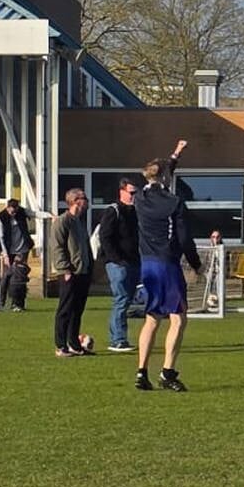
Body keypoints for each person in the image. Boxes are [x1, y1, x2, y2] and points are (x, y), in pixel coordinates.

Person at [133, 140, 200, 392]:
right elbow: (183, 238)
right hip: (168, 265)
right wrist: (195, 263)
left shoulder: (140, 197)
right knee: (178, 319)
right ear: (165, 178)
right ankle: (167, 372)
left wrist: (175, 154)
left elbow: (162, 170)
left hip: (147, 265)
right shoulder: (174, 202)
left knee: (151, 318)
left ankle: (141, 372)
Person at [96, 178, 140, 352]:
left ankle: (120, 337)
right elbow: (105, 237)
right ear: (121, 192)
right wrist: (116, 259)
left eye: (136, 193)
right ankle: (118, 339)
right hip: (117, 264)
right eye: (131, 193)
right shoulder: (113, 211)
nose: (134, 196)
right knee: (121, 300)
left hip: (134, 262)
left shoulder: (135, 212)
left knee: (127, 300)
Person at [49, 189, 94, 358]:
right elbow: (57, 247)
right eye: (84, 198)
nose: (87, 202)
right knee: (65, 309)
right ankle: (61, 345)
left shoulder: (79, 222)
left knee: (77, 310)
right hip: (70, 272)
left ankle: (74, 344)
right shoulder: (62, 221)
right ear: (75, 201)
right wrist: (65, 269)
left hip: (83, 272)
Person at [0, 199, 34, 312]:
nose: (13, 213)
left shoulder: (22, 212)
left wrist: (51, 216)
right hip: (9, 251)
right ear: (7, 207)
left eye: (15, 211)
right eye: (11, 211)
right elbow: (0, 238)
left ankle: (18, 304)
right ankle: (1, 303)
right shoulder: (1, 217)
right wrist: (5, 254)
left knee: (20, 278)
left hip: (22, 250)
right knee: (6, 277)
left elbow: (35, 214)